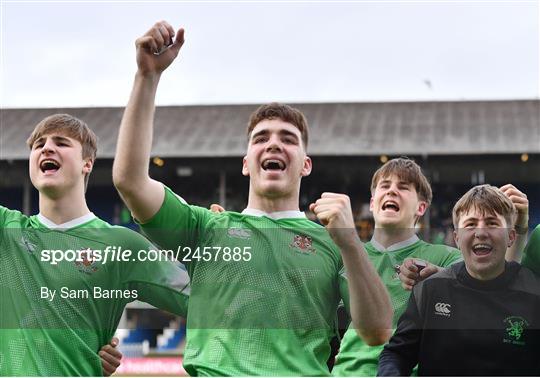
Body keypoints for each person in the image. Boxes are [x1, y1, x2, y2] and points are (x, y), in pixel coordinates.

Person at [112, 20, 392, 376]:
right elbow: (130, 181)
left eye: (288, 139)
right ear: (247, 164)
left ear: (305, 165)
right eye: (261, 138)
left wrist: (351, 243)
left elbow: (377, 331)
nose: (274, 143)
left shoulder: (334, 243)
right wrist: (147, 77)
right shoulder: (206, 228)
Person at [0, 114, 189, 376]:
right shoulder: (6, 231)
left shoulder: (122, 246)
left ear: (87, 163)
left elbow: (208, 300)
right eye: (38, 144)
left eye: (62, 143)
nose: (47, 148)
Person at [378, 185, 540, 376]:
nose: (480, 232)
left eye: (492, 223)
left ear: (511, 236)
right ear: (456, 237)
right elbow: (396, 354)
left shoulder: (533, 294)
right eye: (470, 224)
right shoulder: (431, 289)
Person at [332, 157, 462, 376]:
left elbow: (482, 294)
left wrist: (439, 279)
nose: (392, 191)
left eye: (403, 187)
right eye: (385, 186)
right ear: (372, 203)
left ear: (421, 207)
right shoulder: (343, 255)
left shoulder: (446, 257)